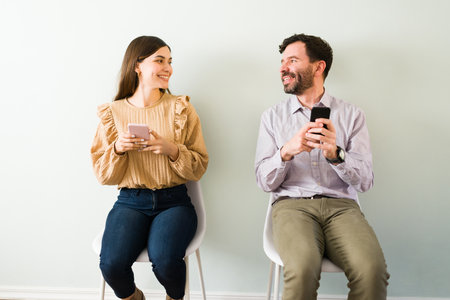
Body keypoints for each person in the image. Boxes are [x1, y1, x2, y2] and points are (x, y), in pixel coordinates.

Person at [255, 33, 389, 300]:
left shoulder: (352, 115)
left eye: (292, 60)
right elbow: (263, 181)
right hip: (292, 206)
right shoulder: (272, 117)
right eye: (282, 61)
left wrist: (336, 153)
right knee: (303, 269)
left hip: (342, 208)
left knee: (372, 271)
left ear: (318, 67)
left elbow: (365, 182)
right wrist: (286, 151)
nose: (283, 68)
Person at [91, 36, 208, 300]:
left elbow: (199, 166)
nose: (168, 67)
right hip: (130, 202)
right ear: (137, 66)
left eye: (169, 61)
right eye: (160, 60)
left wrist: (171, 149)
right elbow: (102, 174)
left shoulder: (181, 108)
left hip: (174, 201)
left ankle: (174, 297)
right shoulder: (113, 113)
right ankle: (135, 297)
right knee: (111, 265)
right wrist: (118, 149)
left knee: (166, 262)